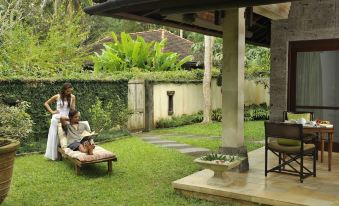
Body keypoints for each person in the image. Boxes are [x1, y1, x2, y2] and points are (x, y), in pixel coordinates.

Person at [44, 83, 76, 160]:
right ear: (64, 90)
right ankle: (54, 155)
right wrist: (52, 111)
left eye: (70, 91)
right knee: (55, 137)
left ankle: (66, 154)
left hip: (66, 119)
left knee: (64, 137)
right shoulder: (57, 96)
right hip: (56, 119)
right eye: (68, 91)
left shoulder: (73, 97)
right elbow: (46, 103)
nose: (69, 93)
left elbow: (73, 110)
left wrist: (72, 109)